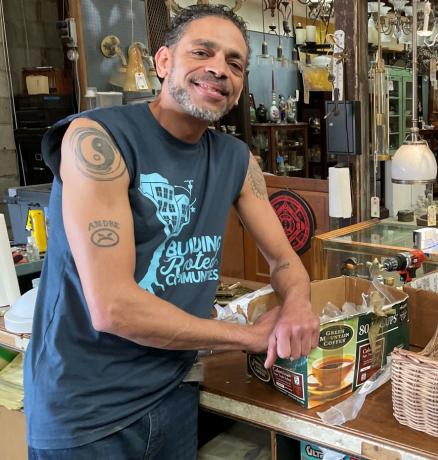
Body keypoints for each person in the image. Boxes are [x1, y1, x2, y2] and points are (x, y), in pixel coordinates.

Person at [23, 5, 319, 458]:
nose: (219, 68)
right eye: (202, 51)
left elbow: (284, 261)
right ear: (164, 63)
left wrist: (297, 305)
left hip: (175, 391)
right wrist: (249, 336)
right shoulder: (97, 139)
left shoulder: (235, 160)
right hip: (88, 412)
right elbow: (114, 307)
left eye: (235, 63)